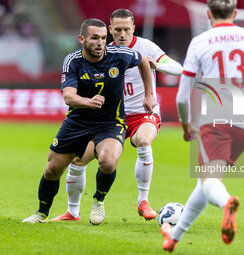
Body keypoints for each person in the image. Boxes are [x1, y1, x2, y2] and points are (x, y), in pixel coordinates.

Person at [161, 0, 244, 252]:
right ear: (236, 13)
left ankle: (226, 203)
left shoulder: (200, 42)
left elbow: (181, 96)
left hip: (215, 121)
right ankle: (174, 237)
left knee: (211, 182)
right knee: (205, 182)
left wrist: (186, 124)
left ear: (208, 13)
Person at [50, 9, 183, 223]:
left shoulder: (146, 47)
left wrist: (156, 65)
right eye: (117, 30)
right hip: (112, 118)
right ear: (110, 30)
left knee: (142, 140)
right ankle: (73, 212)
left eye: (126, 29)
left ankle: (143, 201)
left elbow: (178, 68)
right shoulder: (104, 51)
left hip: (143, 114)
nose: (122, 34)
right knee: (78, 159)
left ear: (133, 29)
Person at [23, 18, 156, 223]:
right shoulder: (73, 61)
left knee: (108, 161)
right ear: (82, 39)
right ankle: (41, 213)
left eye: (103, 38)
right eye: (95, 38)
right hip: (78, 121)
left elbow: (143, 61)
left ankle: (98, 201)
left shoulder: (120, 55)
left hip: (111, 122)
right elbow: (68, 97)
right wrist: (87, 101)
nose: (100, 43)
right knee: (52, 169)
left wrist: (149, 94)